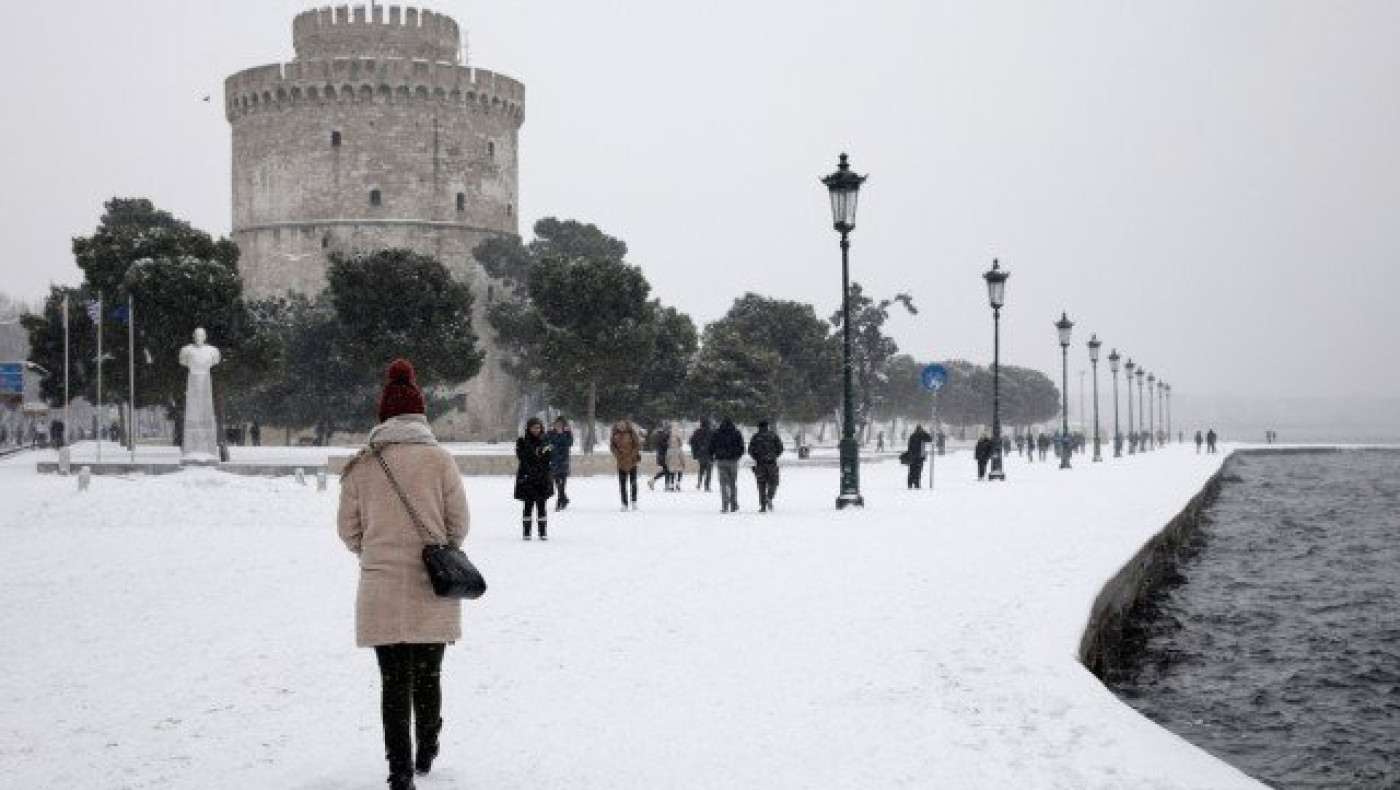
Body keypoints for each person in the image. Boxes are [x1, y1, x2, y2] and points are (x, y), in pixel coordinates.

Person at [336, 358, 469, 790]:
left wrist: (374, 552)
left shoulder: (362, 464)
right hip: (433, 584)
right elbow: (459, 525)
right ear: (420, 413)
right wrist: (437, 548)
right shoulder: (440, 460)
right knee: (429, 674)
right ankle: (427, 747)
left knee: (393, 683)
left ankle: (400, 770)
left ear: (384, 415)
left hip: (381, 588)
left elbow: (348, 530)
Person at [515, 417, 554, 540]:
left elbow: (549, 455)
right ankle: (526, 533)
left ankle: (542, 532)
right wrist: (535, 453)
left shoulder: (546, 440)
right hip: (527, 478)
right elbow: (522, 456)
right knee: (528, 505)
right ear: (529, 428)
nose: (536, 430)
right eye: (534, 427)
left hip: (542, 478)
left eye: (538, 427)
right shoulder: (522, 441)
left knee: (542, 506)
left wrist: (542, 452)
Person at [747, 420, 784, 512]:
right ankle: (769, 496)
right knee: (774, 482)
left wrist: (756, 458)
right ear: (767, 426)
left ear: (759, 427)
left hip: (760, 464)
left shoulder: (755, 437)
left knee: (761, 485)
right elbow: (780, 448)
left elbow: (750, 450)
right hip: (771, 463)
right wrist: (774, 456)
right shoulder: (773, 436)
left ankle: (763, 506)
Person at [710, 417, 745, 513]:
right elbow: (741, 447)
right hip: (733, 461)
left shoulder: (717, 433)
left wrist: (712, 456)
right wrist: (737, 456)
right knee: (732, 483)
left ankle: (725, 505)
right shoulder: (736, 433)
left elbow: (711, 446)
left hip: (721, 460)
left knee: (723, 484)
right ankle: (733, 504)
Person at [610, 419, 642, 510]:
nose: (621, 426)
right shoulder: (614, 434)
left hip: (632, 462)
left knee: (633, 483)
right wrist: (618, 455)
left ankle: (634, 501)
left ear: (626, 425)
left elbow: (637, 445)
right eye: (619, 425)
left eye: (623, 425)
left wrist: (632, 455)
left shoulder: (632, 433)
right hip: (621, 462)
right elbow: (612, 447)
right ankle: (624, 503)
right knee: (622, 484)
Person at [546, 416, 573, 511]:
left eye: (560, 424)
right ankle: (564, 499)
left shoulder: (567, 433)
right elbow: (547, 444)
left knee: (563, 483)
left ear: (563, 425)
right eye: (557, 424)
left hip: (564, 461)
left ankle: (559, 502)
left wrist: (563, 434)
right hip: (554, 461)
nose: (558, 426)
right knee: (557, 483)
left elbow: (569, 443)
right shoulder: (550, 433)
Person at [689, 418, 715, 491]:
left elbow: (691, 441)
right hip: (710, 454)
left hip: (700, 454)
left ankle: (699, 483)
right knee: (709, 471)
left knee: (701, 469)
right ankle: (706, 486)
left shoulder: (697, 432)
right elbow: (715, 443)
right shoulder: (711, 432)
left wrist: (696, 449)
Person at [906, 424, 932, 489]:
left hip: (913, 456)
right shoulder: (922, 436)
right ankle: (916, 484)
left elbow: (909, 446)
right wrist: (924, 432)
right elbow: (929, 439)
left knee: (912, 470)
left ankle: (910, 484)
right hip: (919, 456)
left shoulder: (912, 436)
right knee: (918, 471)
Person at [648, 422, 672, 491]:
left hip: (662, 455)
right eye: (669, 428)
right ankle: (654, 482)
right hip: (663, 456)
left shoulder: (662, 435)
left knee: (666, 470)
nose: (670, 430)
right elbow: (663, 445)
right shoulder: (663, 435)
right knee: (667, 470)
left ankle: (653, 481)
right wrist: (669, 444)